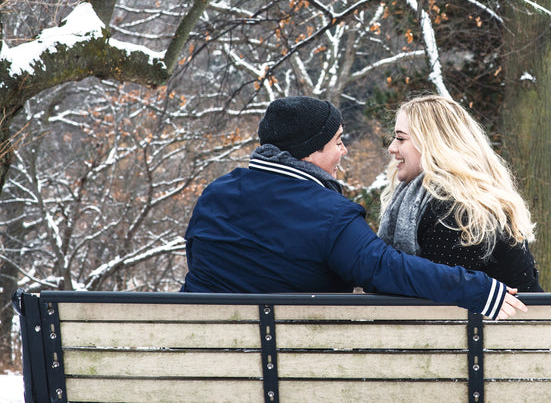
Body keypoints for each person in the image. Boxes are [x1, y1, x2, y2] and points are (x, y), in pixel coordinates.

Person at [182, 95, 527, 320]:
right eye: (337, 141)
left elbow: (198, 261)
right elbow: (387, 269)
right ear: (310, 150)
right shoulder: (327, 213)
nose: (344, 151)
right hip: (293, 369)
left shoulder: (215, 194)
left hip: (199, 356)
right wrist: (479, 289)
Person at [378, 95, 543, 292]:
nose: (392, 148)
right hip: (502, 322)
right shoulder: (441, 198)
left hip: (494, 322)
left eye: (401, 138)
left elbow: (436, 298)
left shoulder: (455, 210)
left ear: (434, 143)